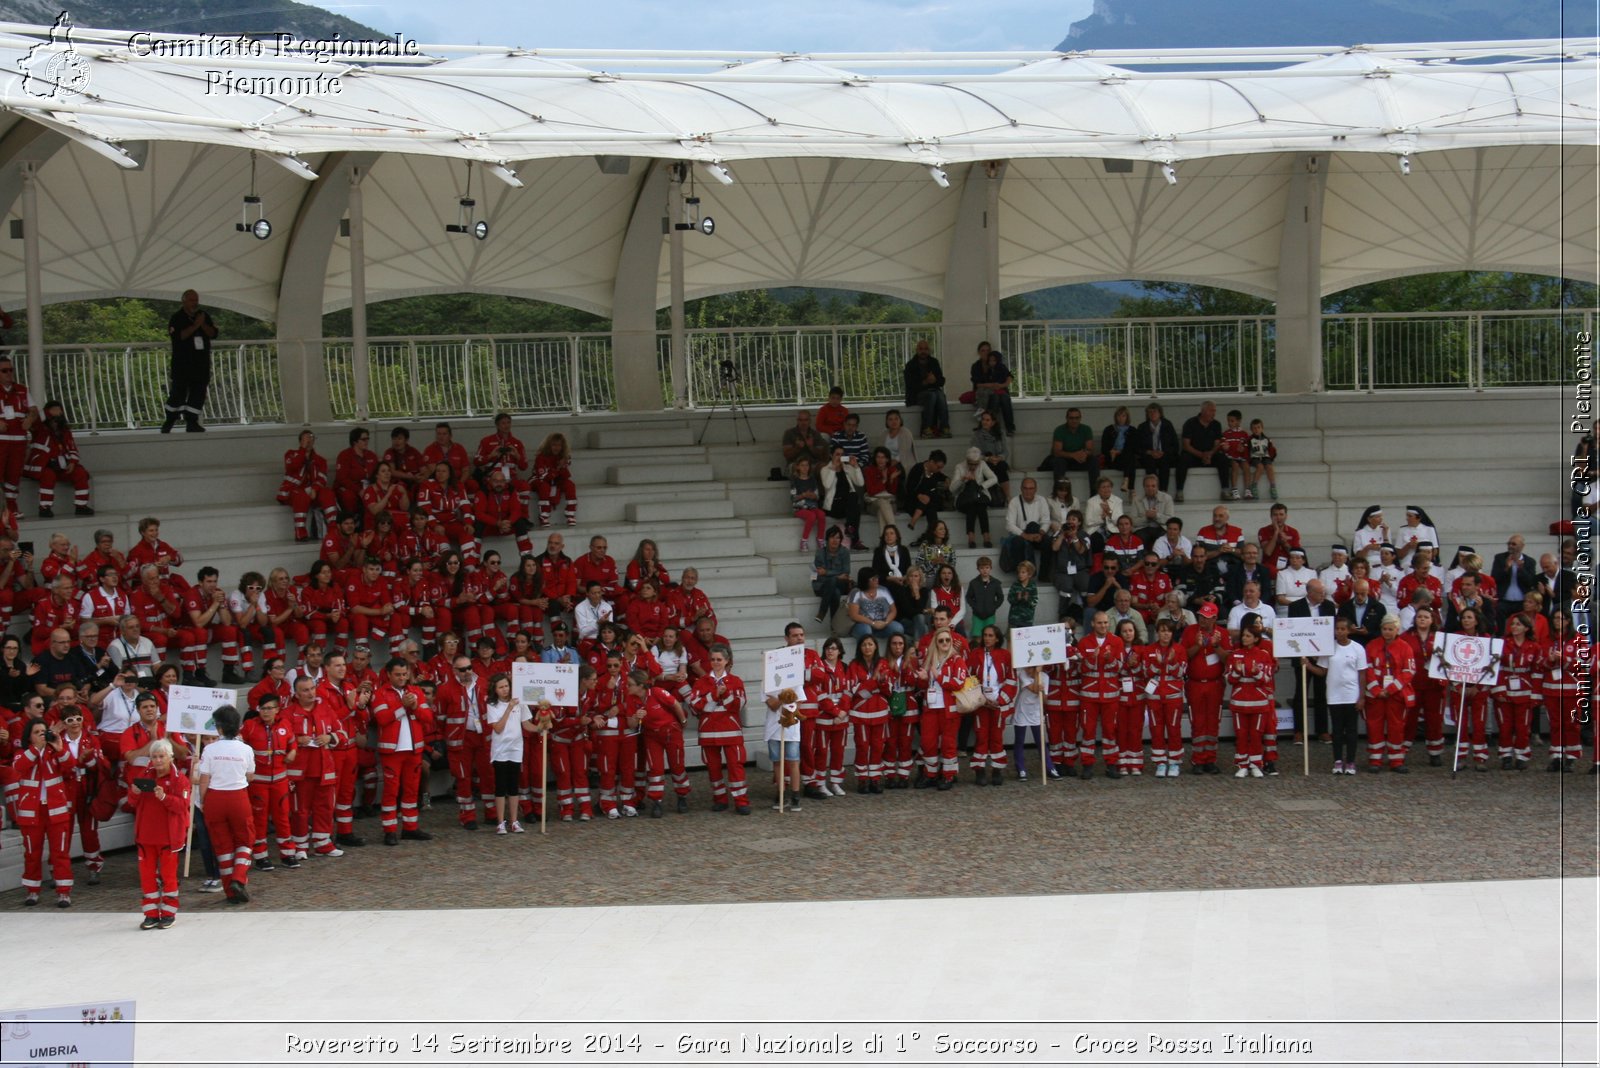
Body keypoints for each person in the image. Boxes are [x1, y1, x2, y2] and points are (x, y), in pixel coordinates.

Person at [371, 657, 435, 845]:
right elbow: (382, 718)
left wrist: (414, 705)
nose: (401, 678)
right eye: (398, 675)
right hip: (392, 751)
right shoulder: (380, 693)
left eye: (405, 674)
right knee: (391, 791)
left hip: (414, 749)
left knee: (411, 790)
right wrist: (403, 707)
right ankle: (389, 830)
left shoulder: (416, 691)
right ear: (389, 675)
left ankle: (410, 828)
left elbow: (428, 717)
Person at [194, 705, 256, 902]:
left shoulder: (210, 749)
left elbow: (204, 779)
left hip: (215, 798)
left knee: (222, 846)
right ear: (238, 726)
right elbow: (251, 775)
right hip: (238, 797)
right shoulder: (246, 749)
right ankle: (239, 877)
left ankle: (230, 891)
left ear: (219, 728)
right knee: (245, 840)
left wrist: (203, 802)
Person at [128, 737, 190, 929]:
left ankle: (169, 912)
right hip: (146, 837)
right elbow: (132, 803)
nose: (158, 760)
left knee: (168, 876)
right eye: (154, 757)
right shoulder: (144, 776)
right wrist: (134, 793)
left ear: (170, 757)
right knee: (147, 877)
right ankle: (151, 914)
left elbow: (182, 806)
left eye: (161, 756)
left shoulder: (180, 779)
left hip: (168, 838)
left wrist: (164, 797)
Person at [690, 643, 751, 814]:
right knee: (713, 768)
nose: (715, 662)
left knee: (735, 766)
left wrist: (723, 695)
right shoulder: (701, 682)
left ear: (727, 661)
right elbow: (695, 707)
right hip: (708, 732)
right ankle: (720, 799)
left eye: (719, 660)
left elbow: (739, 705)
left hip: (731, 732)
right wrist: (713, 695)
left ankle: (741, 801)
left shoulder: (735, 681)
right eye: (713, 659)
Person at [241, 693, 297, 868]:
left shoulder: (285, 724)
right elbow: (239, 746)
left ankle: (287, 854)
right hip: (258, 782)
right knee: (259, 819)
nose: (266, 712)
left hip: (280, 781)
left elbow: (292, 742)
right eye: (263, 708)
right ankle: (260, 856)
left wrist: (293, 751)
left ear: (277, 709)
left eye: (270, 708)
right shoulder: (250, 726)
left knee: (282, 817)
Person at [1308, 617, 1368, 775]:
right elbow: (1322, 671)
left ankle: (1350, 761)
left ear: (1349, 630)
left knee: (1351, 730)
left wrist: (1361, 697)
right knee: (1336, 729)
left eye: (1343, 629)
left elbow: (1362, 674)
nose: (1340, 632)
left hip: (1351, 694)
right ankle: (1337, 761)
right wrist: (1307, 665)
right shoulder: (1329, 648)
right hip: (1334, 696)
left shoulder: (1358, 649)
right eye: (1337, 629)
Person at [1074, 611, 1125, 779]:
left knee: (1111, 731)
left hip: (1110, 694)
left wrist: (1110, 659)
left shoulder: (1117, 641)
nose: (1103, 626)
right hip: (1089, 694)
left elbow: (1120, 668)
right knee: (1088, 731)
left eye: (1105, 623)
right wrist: (1092, 659)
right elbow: (1079, 669)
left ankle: (1111, 764)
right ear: (1093, 624)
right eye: (1100, 623)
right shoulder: (1084, 642)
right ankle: (1087, 765)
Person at [1226, 613, 1278, 778]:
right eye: (1244, 635)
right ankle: (1242, 763)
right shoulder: (1235, 652)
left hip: (1261, 699)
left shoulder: (1264, 651)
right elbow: (1229, 676)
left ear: (1255, 638)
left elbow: (1268, 674)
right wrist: (1239, 672)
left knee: (1260, 733)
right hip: (1240, 700)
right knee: (1241, 734)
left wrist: (1254, 673)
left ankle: (1261, 763)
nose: (1245, 638)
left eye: (1249, 636)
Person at [1362, 616, 1416, 773]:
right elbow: (1368, 670)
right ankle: (1375, 759)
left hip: (1396, 695)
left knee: (1396, 727)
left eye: (1390, 629)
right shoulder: (1372, 645)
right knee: (1374, 726)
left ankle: (1396, 760)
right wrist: (1377, 690)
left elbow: (1409, 672)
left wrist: (1391, 689)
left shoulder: (1405, 647)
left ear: (1397, 630)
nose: (1387, 632)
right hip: (1376, 695)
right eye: (1384, 629)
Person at [1184, 601, 1231, 774]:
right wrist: (1198, 645)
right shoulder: (1190, 631)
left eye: (1206, 617)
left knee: (1213, 722)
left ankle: (1210, 759)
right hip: (1195, 684)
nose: (1202, 620)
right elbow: (1184, 656)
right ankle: (1197, 760)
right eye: (1200, 616)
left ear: (1215, 618)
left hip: (1215, 684)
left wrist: (1216, 645)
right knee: (1197, 722)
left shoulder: (1223, 634)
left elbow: (1228, 659)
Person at [917, 627, 967, 789]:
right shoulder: (930, 659)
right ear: (936, 643)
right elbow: (923, 685)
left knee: (948, 743)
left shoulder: (957, 660)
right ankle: (930, 774)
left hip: (949, 709)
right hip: (930, 708)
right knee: (928, 742)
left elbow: (958, 683)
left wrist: (939, 677)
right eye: (941, 640)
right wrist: (923, 679)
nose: (945, 643)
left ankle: (949, 775)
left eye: (947, 640)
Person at [24, 400, 92, 517]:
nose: (55, 422)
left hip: (62, 466)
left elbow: (72, 448)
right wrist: (49, 412)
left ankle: (81, 506)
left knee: (80, 473)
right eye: (53, 416)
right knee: (48, 476)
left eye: (58, 414)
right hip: (43, 466)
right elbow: (35, 420)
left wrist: (72, 462)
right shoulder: (40, 428)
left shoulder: (65, 431)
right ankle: (44, 508)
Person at [967, 624, 1016, 785]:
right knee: (981, 736)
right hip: (981, 704)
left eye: (990, 635)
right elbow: (969, 680)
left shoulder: (1005, 655)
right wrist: (981, 698)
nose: (987, 638)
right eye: (985, 635)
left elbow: (1011, 679)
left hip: (998, 704)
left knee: (996, 737)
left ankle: (997, 770)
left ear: (997, 638)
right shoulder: (975, 654)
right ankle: (979, 771)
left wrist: (1000, 700)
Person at [483, 672, 532, 834]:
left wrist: (541, 727)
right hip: (500, 750)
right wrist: (509, 708)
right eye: (501, 687)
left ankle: (514, 820)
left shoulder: (520, 703)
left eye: (506, 686)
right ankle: (500, 821)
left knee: (513, 786)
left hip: (516, 749)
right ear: (495, 690)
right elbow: (497, 728)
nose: (505, 689)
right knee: (500, 786)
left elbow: (526, 724)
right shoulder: (492, 705)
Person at [162, 290, 217, 433]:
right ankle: (170, 419)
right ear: (184, 301)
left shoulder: (203, 316)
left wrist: (202, 324)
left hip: (200, 364)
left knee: (198, 393)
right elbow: (179, 336)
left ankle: (192, 422)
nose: (195, 303)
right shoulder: (177, 317)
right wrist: (195, 326)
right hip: (182, 364)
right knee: (178, 393)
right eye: (192, 300)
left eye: (196, 299)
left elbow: (213, 333)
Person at [1494, 612, 1541, 771]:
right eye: (1513, 624)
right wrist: (1499, 689)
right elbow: (1496, 668)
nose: (1514, 627)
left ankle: (1522, 756)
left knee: (1523, 727)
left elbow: (1537, 671)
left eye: (1518, 624)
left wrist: (1535, 694)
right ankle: (1506, 756)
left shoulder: (1534, 647)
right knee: (1505, 726)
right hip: (1505, 688)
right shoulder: (1501, 644)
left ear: (1526, 628)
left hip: (1525, 690)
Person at [1175, 400, 1227, 504]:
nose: (1213, 413)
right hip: (1194, 455)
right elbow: (1186, 445)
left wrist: (1210, 454)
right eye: (1211, 411)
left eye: (1214, 411)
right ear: (1203, 411)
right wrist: (1201, 455)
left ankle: (1225, 490)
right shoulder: (1190, 423)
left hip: (1210, 455)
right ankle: (1179, 491)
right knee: (1183, 459)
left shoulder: (1216, 424)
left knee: (1223, 459)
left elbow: (1217, 444)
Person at [1001, 477, 1053, 577]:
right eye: (1025, 488)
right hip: (1021, 534)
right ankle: (1022, 576)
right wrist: (1025, 535)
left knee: (1047, 541)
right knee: (1017, 542)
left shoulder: (1041, 500)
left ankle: (1044, 575)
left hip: (1037, 533)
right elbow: (1009, 524)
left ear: (1036, 489)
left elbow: (1046, 521)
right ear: (1021, 489)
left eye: (1031, 488)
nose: (1028, 491)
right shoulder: (1014, 502)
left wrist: (1041, 533)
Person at [950, 447, 998, 549]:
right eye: (970, 463)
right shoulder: (959, 467)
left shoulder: (982, 464)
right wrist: (963, 480)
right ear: (967, 461)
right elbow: (952, 489)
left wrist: (981, 486)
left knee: (978, 505)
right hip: (964, 499)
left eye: (975, 464)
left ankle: (976, 538)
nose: (973, 466)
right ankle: (982, 537)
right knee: (972, 506)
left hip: (979, 496)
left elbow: (994, 478)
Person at [820, 445, 865, 550]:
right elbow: (827, 485)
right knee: (854, 501)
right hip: (834, 505)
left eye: (842, 455)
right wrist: (833, 468)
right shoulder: (825, 469)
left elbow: (860, 483)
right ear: (831, 455)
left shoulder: (847, 468)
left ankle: (850, 528)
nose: (840, 457)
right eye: (837, 454)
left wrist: (856, 467)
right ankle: (855, 539)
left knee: (853, 498)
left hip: (848, 504)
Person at [1042, 407, 1097, 489]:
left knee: (1093, 460)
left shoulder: (1086, 429)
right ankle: (1058, 494)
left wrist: (1085, 454)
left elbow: (1090, 449)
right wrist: (1073, 455)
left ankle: (1095, 496)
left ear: (1080, 418)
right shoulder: (1059, 430)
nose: (1074, 421)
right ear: (1067, 418)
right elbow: (1056, 452)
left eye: (1077, 418)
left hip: (1080, 460)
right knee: (1059, 462)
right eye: (1071, 418)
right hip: (1064, 460)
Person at [531, 432, 578, 528]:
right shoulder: (541, 457)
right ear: (548, 445)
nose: (556, 448)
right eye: (554, 445)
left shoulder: (562, 457)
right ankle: (544, 516)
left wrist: (563, 466)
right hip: (538, 480)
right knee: (544, 486)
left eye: (559, 445)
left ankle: (570, 514)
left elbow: (566, 476)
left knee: (570, 485)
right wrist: (557, 468)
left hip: (555, 480)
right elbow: (544, 477)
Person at [903, 340, 949, 437]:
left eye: (925, 349)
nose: (923, 351)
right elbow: (910, 386)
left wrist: (935, 380)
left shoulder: (934, 362)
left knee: (940, 395)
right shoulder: (910, 365)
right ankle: (926, 428)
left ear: (929, 350)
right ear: (916, 350)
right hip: (916, 395)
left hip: (934, 392)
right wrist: (925, 382)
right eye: (921, 349)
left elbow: (941, 381)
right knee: (931, 395)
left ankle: (945, 427)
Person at [969, 342, 1015, 435]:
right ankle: (990, 427)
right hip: (985, 392)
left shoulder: (998, 364)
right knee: (995, 398)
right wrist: (992, 385)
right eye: (983, 350)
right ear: (979, 352)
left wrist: (1002, 385)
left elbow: (1009, 377)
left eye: (988, 350)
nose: (985, 353)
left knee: (1004, 398)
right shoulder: (976, 366)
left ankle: (1010, 428)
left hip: (1000, 390)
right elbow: (977, 384)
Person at [1133, 402, 1180, 492]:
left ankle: (1163, 491)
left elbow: (1175, 445)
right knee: (1149, 463)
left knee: (1164, 463)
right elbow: (1137, 447)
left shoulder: (1167, 425)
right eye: (1150, 412)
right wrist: (1150, 452)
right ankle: (1152, 490)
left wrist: (1163, 452)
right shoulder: (1143, 427)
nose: (1152, 414)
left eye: (1155, 412)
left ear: (1160, 413)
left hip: (1165, 454)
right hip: (1148, 455)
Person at [811, 525, 852, 624]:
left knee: (833, 581)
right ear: (827, 539)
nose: (835, 540)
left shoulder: (845, 552)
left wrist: (827, 572)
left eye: (838, 537)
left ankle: (822, 613)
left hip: (841, 584)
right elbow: (818, 574)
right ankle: (834, 627)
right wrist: (837, 575)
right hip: (822, 585)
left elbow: (846, 571)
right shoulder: (820, 553)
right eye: (832, 537)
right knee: (835, 592)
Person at [847, 567, 901, 640]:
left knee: (898, 628)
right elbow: (854, 615)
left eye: (877, 577)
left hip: (883, 623)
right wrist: (872, 623)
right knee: (866, 631)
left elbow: (893, 610)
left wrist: (886, 622)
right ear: (865, 580)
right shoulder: (856, 592)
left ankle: (876, 636)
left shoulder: (883, 590)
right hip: (863, 624)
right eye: (873, 579)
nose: (877, 580)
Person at [901, 449, 948, 533]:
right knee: (930, 502)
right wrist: (919, 496)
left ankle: (918, 525)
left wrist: (947, 479)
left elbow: (943, 477)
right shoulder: (918, 469)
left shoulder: (936, 472)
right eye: (938, 467)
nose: (939, 469)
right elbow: (909, 488)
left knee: (930, 501)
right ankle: (934, 534)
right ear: (931, 462)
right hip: (914, 502)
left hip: (927, 502)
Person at [789, 456, 826, 552]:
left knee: (821, 514)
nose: (805, 468)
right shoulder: (795, 481)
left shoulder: (812, 480)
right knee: (811, 516)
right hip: (799, 508)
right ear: (798, 467)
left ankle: (820, 539)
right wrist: (803, 495)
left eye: (807, 465)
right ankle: (804, 540)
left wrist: (812, 495)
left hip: (812, 506)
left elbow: (817, 496)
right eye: (802, 465)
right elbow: (793, 498)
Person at [862, 447, 902, 537]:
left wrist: (891, 479)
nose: (880, 460)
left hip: (890, 504)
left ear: (887, 459)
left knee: (882, 511)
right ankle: (895, 533)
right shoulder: (869, 470)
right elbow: (871, 491)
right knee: (882, 502)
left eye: (883, 457)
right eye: (878, 457)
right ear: (875, 458)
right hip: (873, 503)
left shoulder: (892, 470)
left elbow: (893, 492)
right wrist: (884, 480)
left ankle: (883, 542)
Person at [1247, 418, 1278, 500]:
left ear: (1262, 428)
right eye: (1254, 428)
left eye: (1258, 427)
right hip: (1255, 457)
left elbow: (1272, 450)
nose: (1256, 430)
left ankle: (1273, 486)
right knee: (1260, 467)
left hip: (1265, 456)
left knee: (1269, 467)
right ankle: (1254, 485)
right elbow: (1246, 450)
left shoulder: (1267, 439)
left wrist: (1271, 457)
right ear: (1251, 429)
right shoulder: (1250, 440)